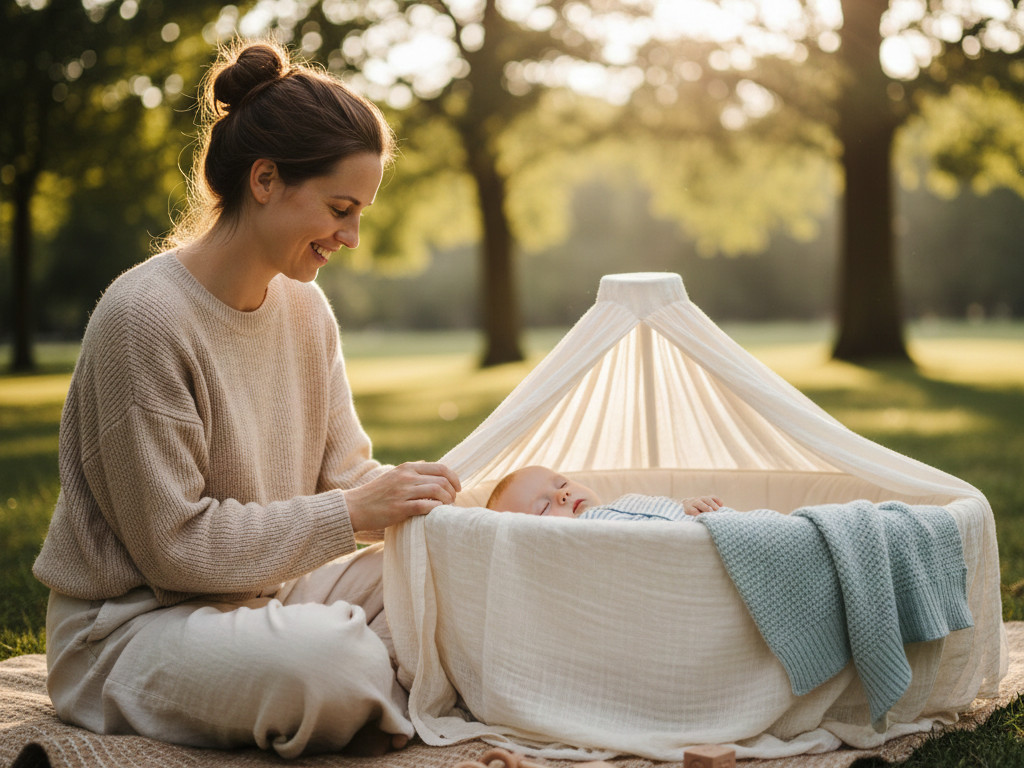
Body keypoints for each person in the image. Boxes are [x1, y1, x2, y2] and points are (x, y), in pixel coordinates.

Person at [31, 40, 461, 758]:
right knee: (329, 663)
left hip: (264, 598)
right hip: (129, 630)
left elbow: (346, 475)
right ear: (266, 180)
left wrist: (415, 499)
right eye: (340, 208)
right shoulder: (145, 318)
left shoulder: (306, 310)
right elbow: (176, 548)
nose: (351, 237)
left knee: (450, 578)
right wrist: (356, 513)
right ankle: (387, 677)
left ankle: (383, 674)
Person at [485, 465, 724, 520]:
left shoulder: (625, 505)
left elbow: (663, 513)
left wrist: (687, 507)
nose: (563, 495)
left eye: (562, 484)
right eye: (544, 508)